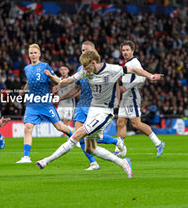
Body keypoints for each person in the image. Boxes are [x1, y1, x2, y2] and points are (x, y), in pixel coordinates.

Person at [36, 49, 163, 178]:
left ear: (93, 62)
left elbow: (134, 70)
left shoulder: (112, 69)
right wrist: (57, 84)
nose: (83, 69)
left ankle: (46, 161)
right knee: (90, 148)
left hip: (106, 112)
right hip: (93, 110)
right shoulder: (85, 71)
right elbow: (68, 81)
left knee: (77, 135)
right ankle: (123, 162)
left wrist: (151, 76)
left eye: (85, 66)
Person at [58, 41, 126, 171]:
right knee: (79, 136)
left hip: (95, 106)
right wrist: (62, 97)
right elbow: (76, 87)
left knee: (88, 137)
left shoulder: (104, 69)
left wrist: (116, 103)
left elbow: (115, 86)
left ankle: (116, 141)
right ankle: (93, 163)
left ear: (94, 52)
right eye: (82, 50)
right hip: (81, 104)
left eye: (86, 50)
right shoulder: (81, 69)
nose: (84, 52)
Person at [16, 44, 75, 164]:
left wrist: (50, 75)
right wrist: (24, 90)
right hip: (32, 103)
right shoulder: (27, 68)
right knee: (28, 128)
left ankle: (74, 138)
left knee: (59, 127)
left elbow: (59, 81)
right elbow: (28, 82)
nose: (33, 55)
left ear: (39, 54)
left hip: (45, 103)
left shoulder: (45, 66)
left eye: (35, 53)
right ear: (29, 55)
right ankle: (26, 157)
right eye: (31, 53)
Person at [116, 40, 165, 157]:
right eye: (123, 50)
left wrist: (127, 87)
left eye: (127, 50)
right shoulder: (127, 63)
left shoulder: (134, 62)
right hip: (126, 96)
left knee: (136, 124)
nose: (125, 52)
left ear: (132, 51)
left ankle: (158, 143)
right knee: (120, 122)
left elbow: (141, 78)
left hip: (132, 95)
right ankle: (119, 149)